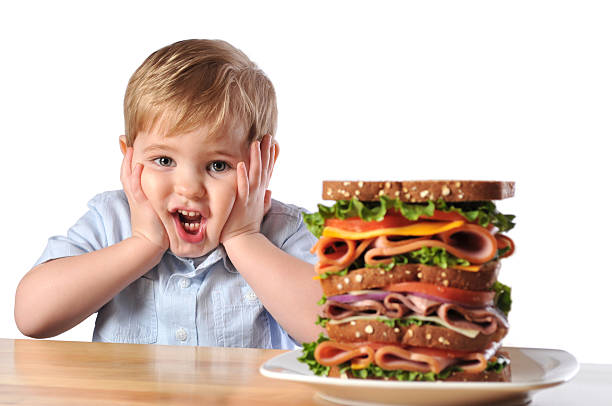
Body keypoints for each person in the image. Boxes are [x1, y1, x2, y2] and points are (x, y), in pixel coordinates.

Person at [14, 39, 323, 349]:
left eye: (218, 165)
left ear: (263, 163)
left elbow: (334, 329)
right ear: (130, 157)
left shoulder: (283, 231)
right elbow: (32, 316)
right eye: (164, 161)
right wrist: (143, 245)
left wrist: (244, 238)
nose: (188, 188)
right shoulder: (112, 219)